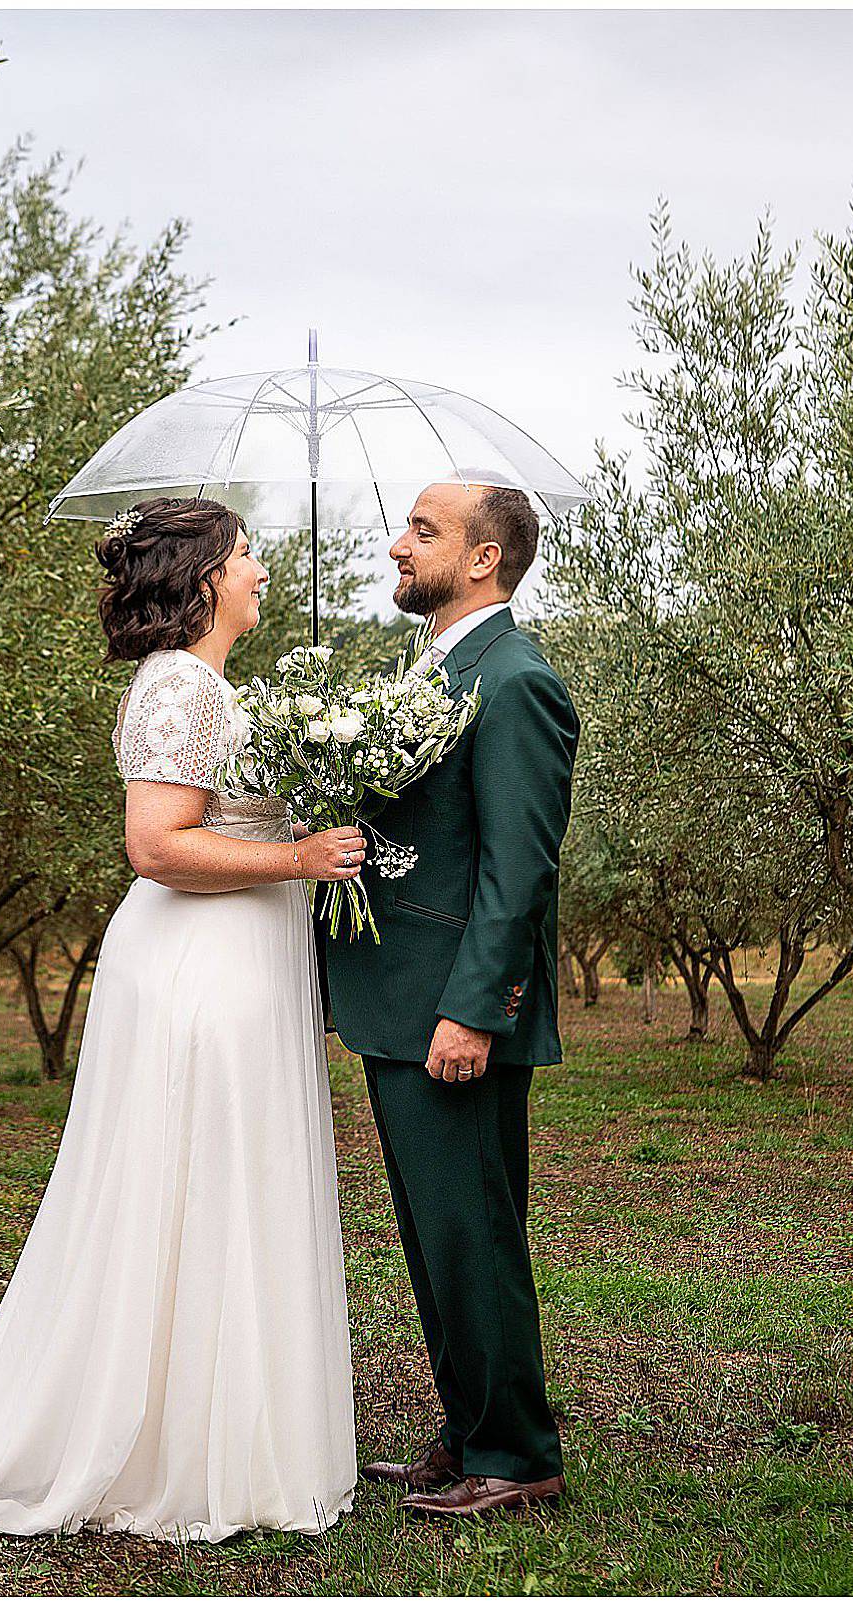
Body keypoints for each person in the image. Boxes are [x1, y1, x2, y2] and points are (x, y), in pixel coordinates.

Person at [0, 496, 363, 1542]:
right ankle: (174, 1447)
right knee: (193, 1182)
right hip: (200, 966)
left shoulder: (213, 686)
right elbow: (155, 845)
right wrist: (297, 855)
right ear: (201, 580)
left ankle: (224, 1427)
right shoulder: (181, 687)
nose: (262, 570)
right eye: (246, 556)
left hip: (241, 959)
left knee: (227, 1183)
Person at [321, 479, 578, 1519]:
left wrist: (476, 1009)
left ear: (484, 559)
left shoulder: (514, 679)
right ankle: (468, 1430)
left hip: (451, 1011)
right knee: (439, 1231)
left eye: (422, 532)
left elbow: (520, 868)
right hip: (401, 1002)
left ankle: (516, 1456)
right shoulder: (437, 666)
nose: (397, 546)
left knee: (473, 1230)